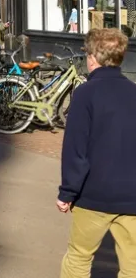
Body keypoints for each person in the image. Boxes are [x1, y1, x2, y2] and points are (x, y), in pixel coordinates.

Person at [58, 28, 136, 277]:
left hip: (93, 194)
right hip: (132, 196)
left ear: (92, 57)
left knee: (79, 257)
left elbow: (75, 149)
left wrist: (67, 192)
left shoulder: (84, 94)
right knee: (132, 265)